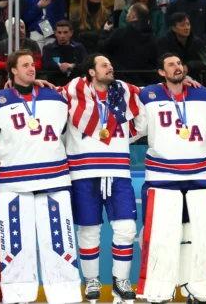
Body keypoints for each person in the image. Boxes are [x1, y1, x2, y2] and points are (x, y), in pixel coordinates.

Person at [0, 50, 81, 304]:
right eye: (25, 65)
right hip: (13, 182)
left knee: (60, 243)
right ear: (13, 71)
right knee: (16, 246)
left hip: (54, 178)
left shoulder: (55, 95)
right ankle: (18, 297)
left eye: (33, 65)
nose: (32, 69)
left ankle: (65, 297)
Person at [135, 52, 206, 304]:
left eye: (179, 63)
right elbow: (133, 123)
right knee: (158, 234)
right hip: (162, 176)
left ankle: (192, 290)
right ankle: (157, 290)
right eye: (171, 65)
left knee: (195, 234)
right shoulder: (146, 95)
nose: (178, 67)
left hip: (200, 175)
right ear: (161, 73)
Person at [60, 54, 143, 303]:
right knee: (88, 230)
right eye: (104, 65)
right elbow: (43, 99)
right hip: (83, 171)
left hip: (118, 170)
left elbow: (145, 120)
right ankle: (92, 281)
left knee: (126, 229)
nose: (111, 67)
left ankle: (121, 281)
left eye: (111, 63)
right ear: (91, 72)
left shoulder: (125, 94)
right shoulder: (72, 92)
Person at [41, 21, 86, 86]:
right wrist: (61, 66)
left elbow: (86, 65)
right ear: (55, 33)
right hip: (55, 82)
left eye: (65, 32)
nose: (62, 36)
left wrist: (72, 66)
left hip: (76, 82)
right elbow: (46, 65)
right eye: (59, 32)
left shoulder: (79, 47)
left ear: (71, 33)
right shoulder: (48, 48)